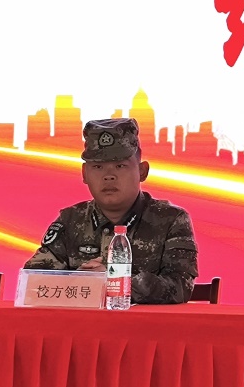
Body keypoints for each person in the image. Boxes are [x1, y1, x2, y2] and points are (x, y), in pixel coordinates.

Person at [24, 118, 198, 304]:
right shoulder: (70, 220)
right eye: (98, 167)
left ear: (142, 171)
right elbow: (32, 282)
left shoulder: (170, 220)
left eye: (120, 166)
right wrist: (80, 281)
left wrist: (113, 281)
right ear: (84, 174)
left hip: (142, 323)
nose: (108, 176)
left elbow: (180, 286)